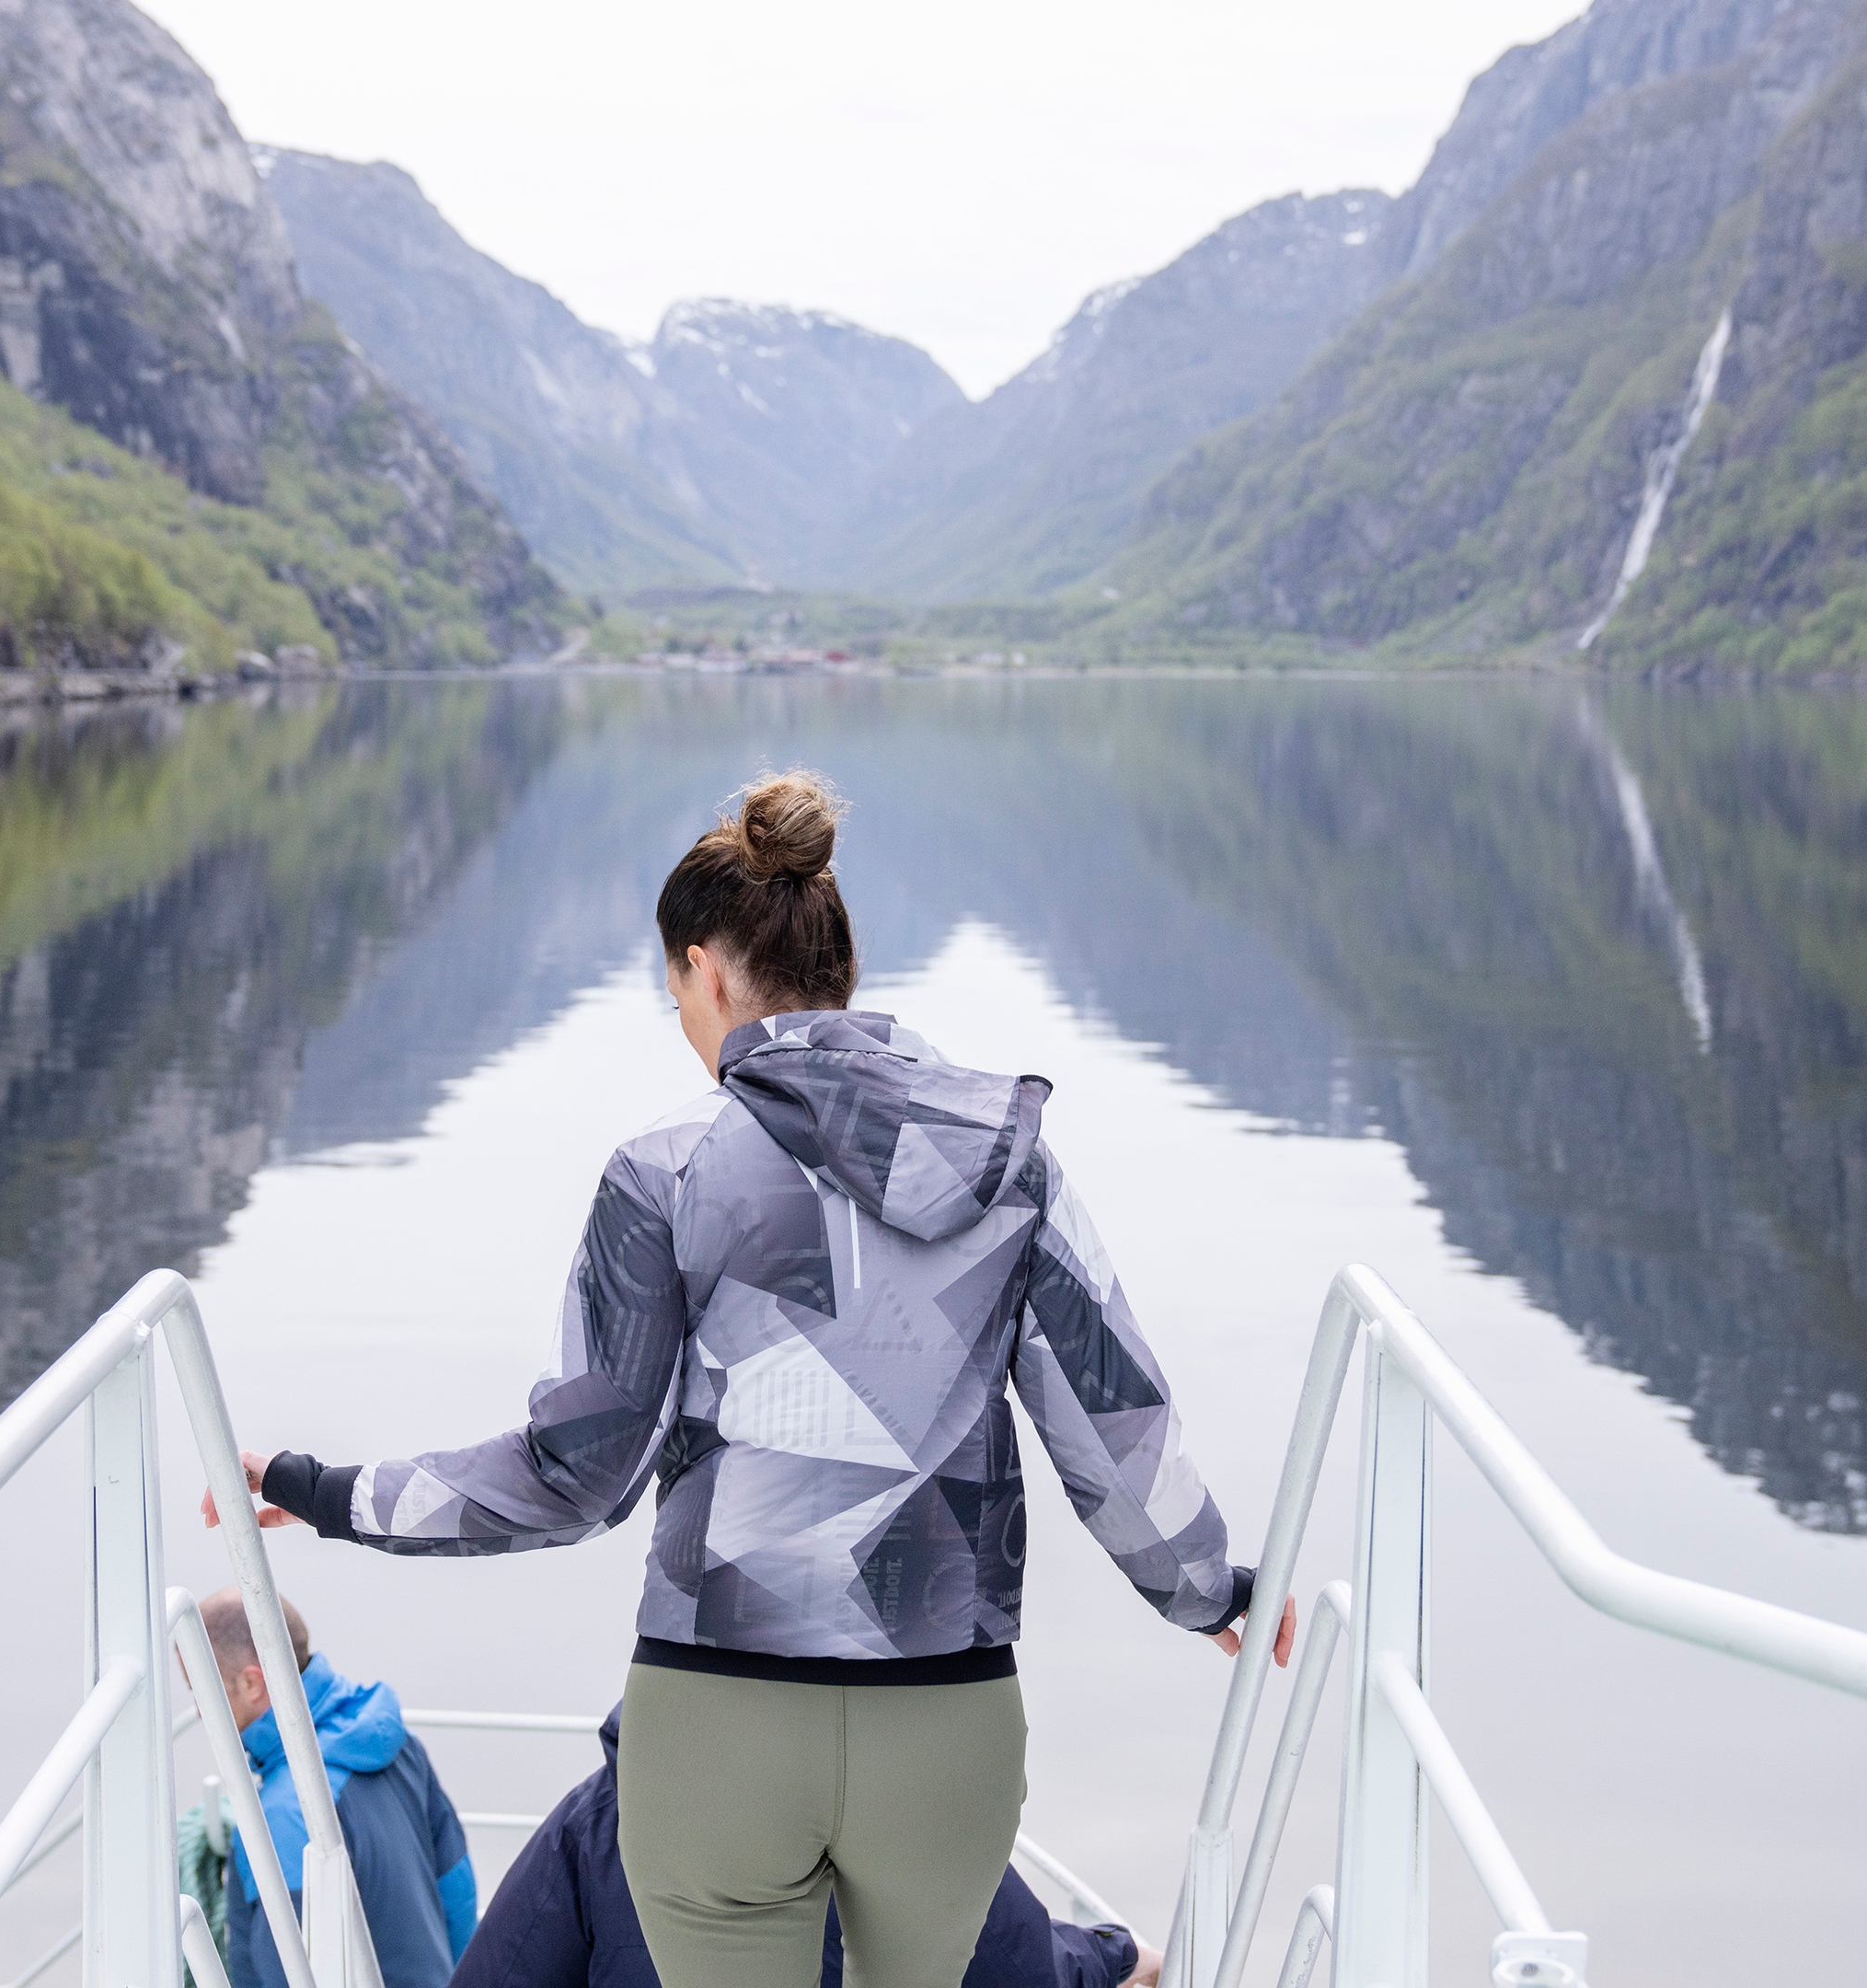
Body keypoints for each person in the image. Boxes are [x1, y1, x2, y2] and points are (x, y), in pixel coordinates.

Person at [211, 769, 1290, 1988]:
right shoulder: (1007, 1168)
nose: (681, 1021)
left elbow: (575, 1480)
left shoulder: (663, 1176)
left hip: (716, 1724)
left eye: (675, 992)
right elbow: (1117, 1444)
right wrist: (1213, 1592)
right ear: (842, 970)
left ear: (708, 971)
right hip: (944, 1723)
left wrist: (326, 1490)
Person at [445, 1706, 1155, 1988]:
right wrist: (1120, 1954)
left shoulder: (602, 1816)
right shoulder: (893, 1806)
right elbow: (1017, 1966)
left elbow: (500, 1974)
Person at [191, 1586, 478, 1988]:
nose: (200, 1711)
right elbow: (457, 1888)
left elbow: (287, 1975)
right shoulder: (397, 1743)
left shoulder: (284, 1814)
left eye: (202, 1690)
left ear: (252, 1684)